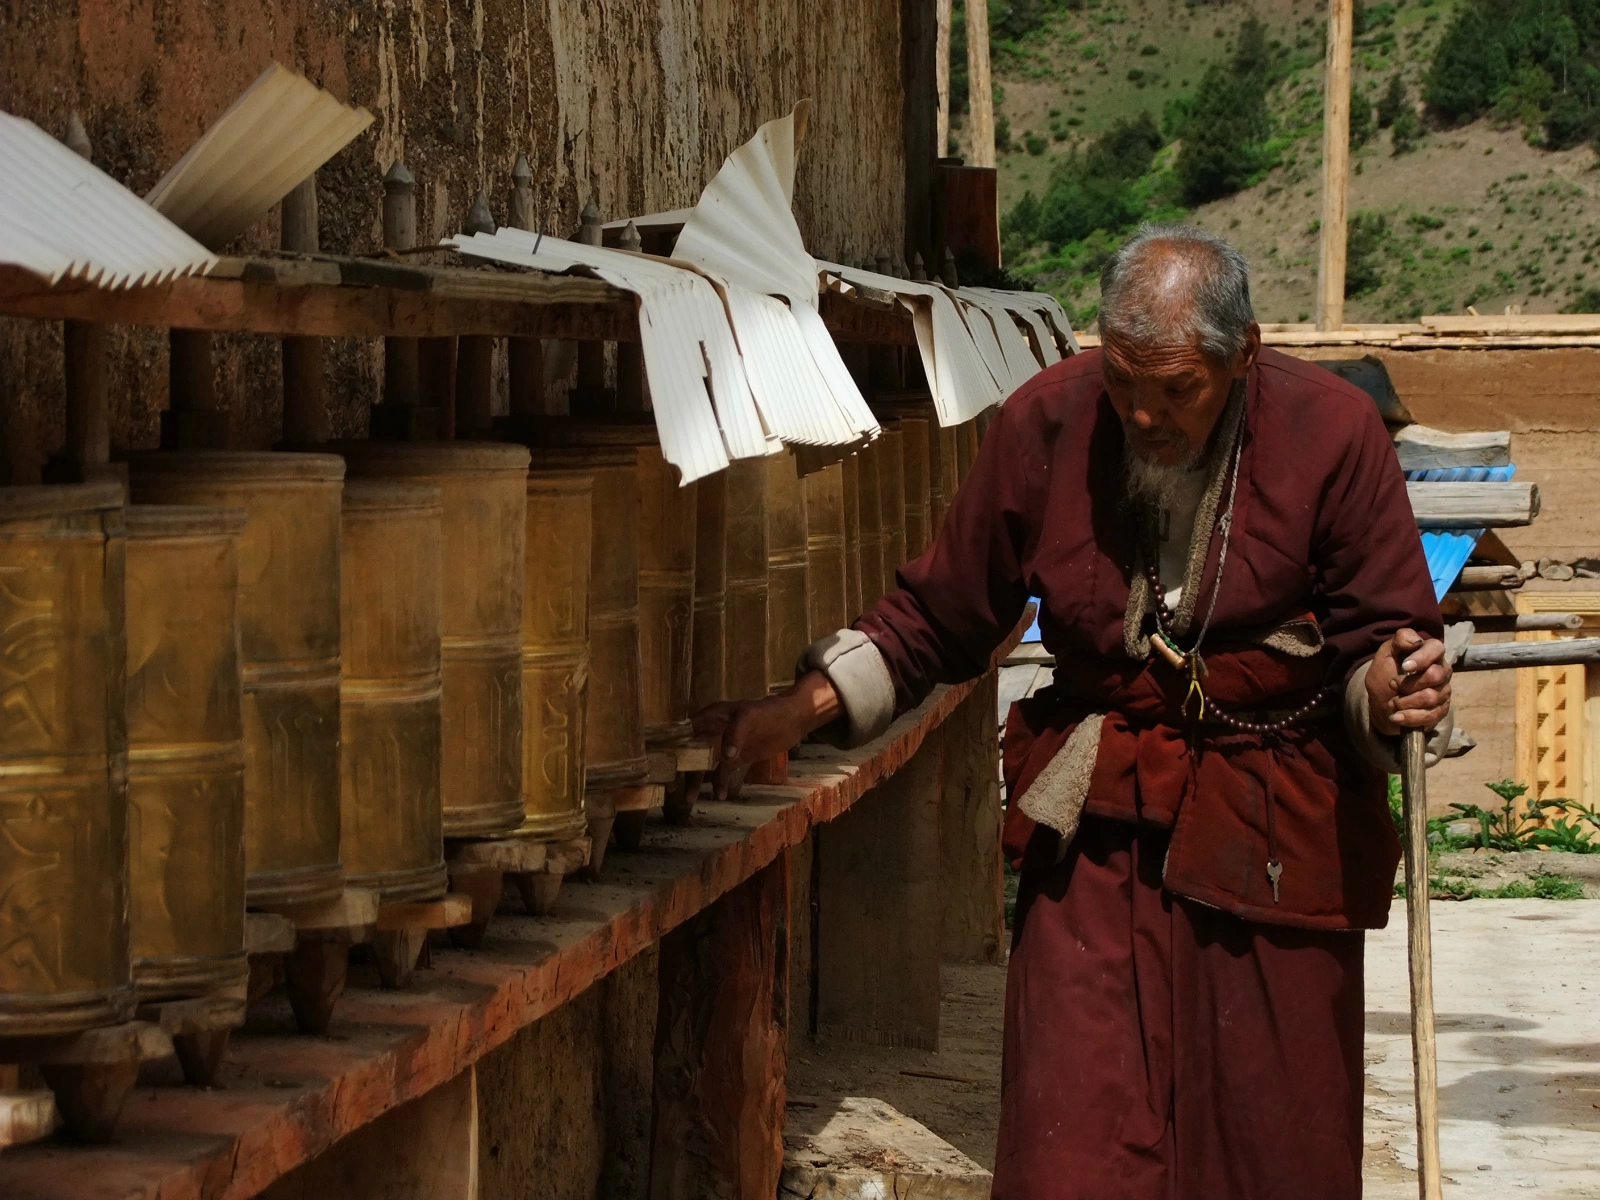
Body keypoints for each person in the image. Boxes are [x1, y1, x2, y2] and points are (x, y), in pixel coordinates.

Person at [694, 224, 1452, 1200]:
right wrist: (799, 710)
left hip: (1273, 827)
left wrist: (1389, 692)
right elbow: (942, 611)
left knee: (1273, 1143)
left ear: (1243, 357)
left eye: (1175, 388)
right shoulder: (1049, 421)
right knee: (1074, 1137)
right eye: (1123, 380)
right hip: (1101, 824)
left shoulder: (1332, 434)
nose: (1143, 414)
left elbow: (1382, 644)